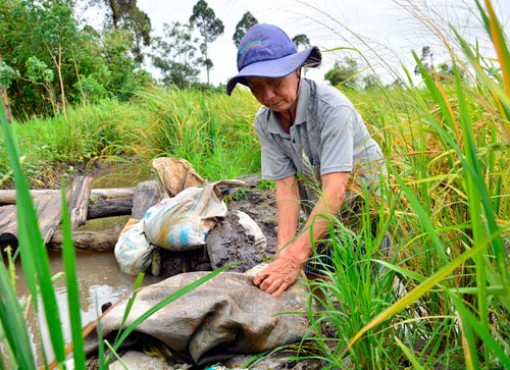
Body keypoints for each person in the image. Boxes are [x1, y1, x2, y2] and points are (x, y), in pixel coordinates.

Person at [226, 23, 386, 297]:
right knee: (312, 271)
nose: (267, 97)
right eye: (256, 87)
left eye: (275, 83)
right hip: (322, 205)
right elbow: (286, 188)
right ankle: (321, 330)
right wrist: (284, 255)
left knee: (368, 282)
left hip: (367, 205)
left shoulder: (332, 109)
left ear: (297, 70)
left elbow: (336, 189)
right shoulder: (265, 123)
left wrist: (293, 259)